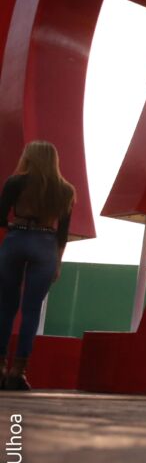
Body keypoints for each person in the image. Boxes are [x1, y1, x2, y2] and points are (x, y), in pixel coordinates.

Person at [0, 142, 75, 391]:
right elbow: (62, 232)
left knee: (6, 306)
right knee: (32, 311)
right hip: (46, 244)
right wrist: (58, 262)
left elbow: (1, 215)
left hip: (17, 238)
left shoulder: (15, 182)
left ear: (29, 157)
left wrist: (13, 227)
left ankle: (0, 367)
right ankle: (18, 372)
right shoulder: (65, 190)